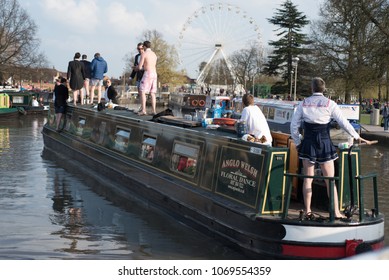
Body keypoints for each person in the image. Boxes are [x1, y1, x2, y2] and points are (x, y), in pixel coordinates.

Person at [290, 77, 374, 219]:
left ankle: (308, 211)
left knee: (307, 179)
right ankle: (335, 212)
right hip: (324, 143)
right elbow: (343, 123)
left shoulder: (303, 104)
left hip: (309, 143)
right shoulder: (331, 104)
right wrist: (357, 136)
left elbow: (293, 126)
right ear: (324, 89)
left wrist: (298, 143)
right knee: (330, 180)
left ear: (312, 88)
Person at [136, 40, 157, 115]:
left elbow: (140, 67)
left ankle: (143, 110)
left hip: (148, 73)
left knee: (142, 91)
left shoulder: (144, 54)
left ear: (144, 46)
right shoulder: (154, 54)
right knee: (152, 93)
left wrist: (136, 68)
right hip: (154, 74)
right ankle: (154, 111)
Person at [129, 42, 145, 112]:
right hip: (138, 76)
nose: (140, 50)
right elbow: (135, 68)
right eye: (138, 49)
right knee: (139, 92)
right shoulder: (137, 57)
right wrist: (131, 77)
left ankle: (144, 108)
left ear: (144, 48)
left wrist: (138, 67)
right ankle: (142, 107)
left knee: (143, 92)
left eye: (141, 48)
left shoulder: (146, 55)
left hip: (145, 76)